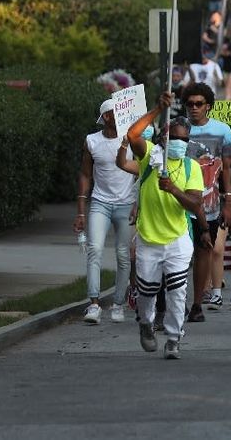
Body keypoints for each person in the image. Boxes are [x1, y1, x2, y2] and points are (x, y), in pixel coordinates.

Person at [126, 94, 209, 360]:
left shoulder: (190, 167)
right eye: (176, 138)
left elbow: (195, 204)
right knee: (147, 292)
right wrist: (157, 109)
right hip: (149, 239)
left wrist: (173, 189)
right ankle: (145, 323)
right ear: (164, 137)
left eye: (185, 139)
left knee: (177, 291)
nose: (181, 144)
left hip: (177, 239)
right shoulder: (149, 157)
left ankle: (174, 338)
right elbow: (132, 134)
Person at [74, 99, 136, 324]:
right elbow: (85, 175)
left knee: (123, 255)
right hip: (100, 203)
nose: (121, 115)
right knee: (94, 250)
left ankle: (118, 304)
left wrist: (138, 202)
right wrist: (81, 211)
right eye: (115, 112)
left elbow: (142, 171)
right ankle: (93, 304)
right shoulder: (92, 141)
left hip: (126, 204)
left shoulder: (131, 139)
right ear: (106, 117)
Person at [181, 83, 231, 320]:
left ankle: (196, 304)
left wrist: (228, 201)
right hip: (179, 203)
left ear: (208, 106)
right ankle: (177, 301)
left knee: (204, 251)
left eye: (198, 104)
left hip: (210, 205)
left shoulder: (222, 131)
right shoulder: (176, 128)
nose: (193, 108)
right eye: (189, 104)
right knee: (180, 256)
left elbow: (228, 170)